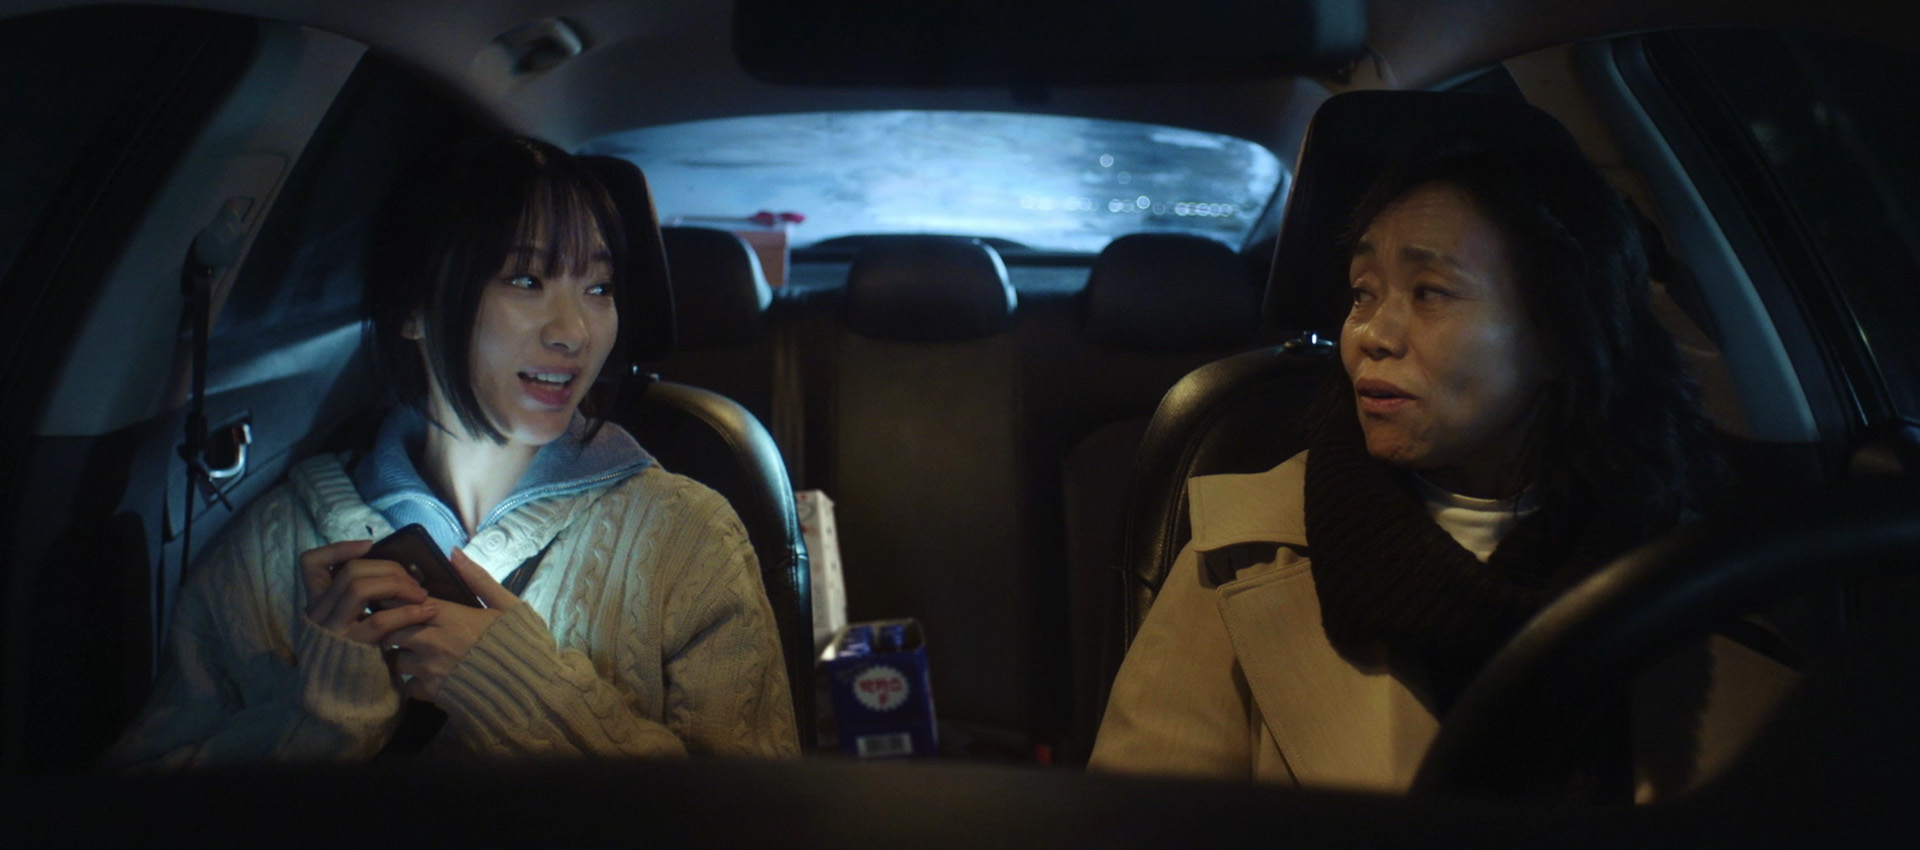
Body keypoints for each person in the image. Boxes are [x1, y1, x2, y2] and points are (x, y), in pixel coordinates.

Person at [109, 134, 798, 766]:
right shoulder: (271, 550)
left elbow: (755, 823)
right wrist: (318, 720)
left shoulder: (687, 538)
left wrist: (524, 698)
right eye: (525, 281)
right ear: (412, 306)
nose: (574, 333)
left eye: (598, 288)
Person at [1089, 143, 1720, 790]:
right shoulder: (1244, 553)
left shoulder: (1698, 557)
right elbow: (1137, 822)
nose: (1371, 334)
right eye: (1362, 293)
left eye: (1430, 293)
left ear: (1561, 333)